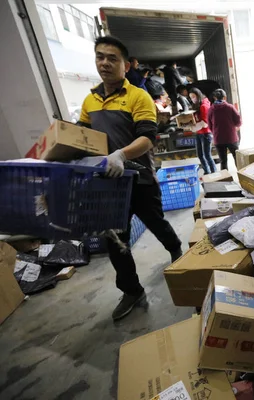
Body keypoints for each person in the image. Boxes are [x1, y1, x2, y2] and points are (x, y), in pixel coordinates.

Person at [78, 36, 182, 321]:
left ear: (125, 65)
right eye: (100, 57)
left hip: (140, 179)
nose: (105, 63)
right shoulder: (90, 100)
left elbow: (147, 137)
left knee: (156, 222)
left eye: (112, 58)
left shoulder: (138, 96)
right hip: (108, 184)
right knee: (116, 241)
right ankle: (132, 290)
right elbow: (82, 137)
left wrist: (121, 156)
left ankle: (176, 250)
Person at [208, 89, 241, 170]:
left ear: (215, 98)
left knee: (223, 161)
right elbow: (238, 121)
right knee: (237, 159)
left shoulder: (211, 109)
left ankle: (225, 181)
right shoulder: (230, 107)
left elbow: (209, 125)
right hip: (231, 138)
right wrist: (235, 126)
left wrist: (215, 132)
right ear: (225, 97)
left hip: (218, 139)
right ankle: (242, 178)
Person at [189, 87, 217, 174]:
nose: (193, 99)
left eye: (194, 97)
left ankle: (214, 173)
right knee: (200, 155)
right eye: (191, 97)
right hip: (199, 133)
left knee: (207, 155)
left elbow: (205, 122)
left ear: (198, 95)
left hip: (206, 133)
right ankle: (207, 172)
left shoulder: (204, 106)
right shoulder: (198, 105)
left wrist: (193, 128)